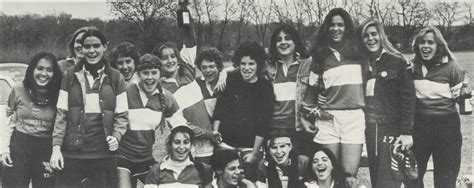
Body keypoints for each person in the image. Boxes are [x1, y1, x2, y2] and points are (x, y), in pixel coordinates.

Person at [50, 27, 129, 188]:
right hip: (73, 153)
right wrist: (56, 148)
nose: (91, 51)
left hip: (103, 154)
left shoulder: (116, 77)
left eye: (96, 46)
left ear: (104, 47)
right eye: (87, 46)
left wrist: (116, 136)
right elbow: (61, 114)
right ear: (81, 49)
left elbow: (122, 115)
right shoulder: (69, 76)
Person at [358, 19, 417, 188]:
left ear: (381, 36)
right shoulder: (360, 65)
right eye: (366, 36)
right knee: (377, 178)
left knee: (395, 179)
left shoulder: (397, 62)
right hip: (370, 130)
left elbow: (408, 99)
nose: (370, 39)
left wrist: (406, 132)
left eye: (374, 34)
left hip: (392, 129)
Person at [310, 8, 365, 178]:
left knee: (349, 175)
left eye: (340, 25)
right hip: (328, 119)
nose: (336, 29)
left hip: (354, 118)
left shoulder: (360, 52)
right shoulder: (319, 56)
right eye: (332, 25)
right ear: (326, 28)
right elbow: (309, 95)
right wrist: (317, 107)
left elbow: (383, 55)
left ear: (347, 28)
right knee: (328, 174)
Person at [411, 26, 467, 188]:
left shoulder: (452, 68)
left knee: (445, 178)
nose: (426, 46)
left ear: (439, 46)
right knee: (412, 175)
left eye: (430, 42)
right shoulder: (411, 67)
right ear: (417, 45)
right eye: (422, 42)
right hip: (419, 125)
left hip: (446, 126)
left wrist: (465, 93)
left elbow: (464, 107)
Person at [116, 54, 182, 188]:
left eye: (154, 73)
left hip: (146, 158)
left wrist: (208, 134)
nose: (150, 77)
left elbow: (181, 126)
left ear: (160, 74)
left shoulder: (166, 97)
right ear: (138, 74)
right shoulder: (126, 93)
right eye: (145, 73)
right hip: (122, 158)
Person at [213, 41, 274, 182]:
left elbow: (263, 123)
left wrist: (254, 152)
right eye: (243, 63)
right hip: (226, 143)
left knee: (248, 180)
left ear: (258, 64)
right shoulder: (231, 79)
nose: (247, 68)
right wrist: (215, 133)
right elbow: (219, 109)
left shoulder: (264, 87)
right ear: (238, 64)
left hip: (249, 146)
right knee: (224, 180)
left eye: (251, 63)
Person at [0, 52, 61, 188]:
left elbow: (62, 124)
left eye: (49, 70)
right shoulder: (18, 89)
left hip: (46, 146)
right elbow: (9, 120)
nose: (43, 74)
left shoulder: (58, 94)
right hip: (20, 144)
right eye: (39, 68)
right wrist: (4, 149)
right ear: (32, 69)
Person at [266, 24, 318, 157]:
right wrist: (225, 72)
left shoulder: (307, 64)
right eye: (279, 39)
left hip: (299, 127)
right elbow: (244, 67)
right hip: (273, 129)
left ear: (295, 42)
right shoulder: (268, 66)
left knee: (300, 167)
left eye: (287, 38)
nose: (283, 42)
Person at [144, 125, 213, 187]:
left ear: (191, 145)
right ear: (170, 145)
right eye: (177, 142)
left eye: (186, 142)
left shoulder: (203, 170)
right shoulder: (156, 171)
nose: (181, 147)